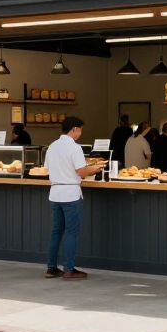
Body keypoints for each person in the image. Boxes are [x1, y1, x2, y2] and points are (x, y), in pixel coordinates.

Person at [44, 116, 103, 280]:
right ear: (74, 129)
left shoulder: (52, 146)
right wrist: (95, 168)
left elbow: (47, 169)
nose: (80, 133)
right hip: (70, 194)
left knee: (56, 232)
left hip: (55, 193)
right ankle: (69, 269)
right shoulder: (75, 148)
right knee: (71, 232)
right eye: (80, 130)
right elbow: (81, 172)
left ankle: (51, 268)